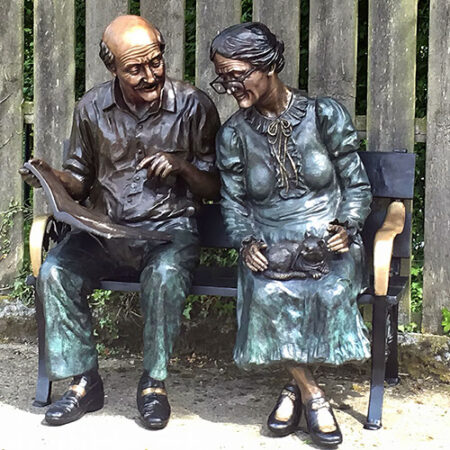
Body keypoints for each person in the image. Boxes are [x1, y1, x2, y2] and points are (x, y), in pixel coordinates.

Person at [20, 15, 220, 429]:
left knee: (164, 276)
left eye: (156, 62)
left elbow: (214, 186)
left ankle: (153, 385)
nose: (150, 75)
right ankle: (84, 383)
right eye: (135, 68)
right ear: (112, 67)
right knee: (55, 271)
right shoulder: (92, 108)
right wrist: (49, 175)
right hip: (105, 231)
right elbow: (78, 180)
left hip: (167, 230)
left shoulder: (193, 105)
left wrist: (182, 167)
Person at [210, 22, 372, 447]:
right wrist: (246, 242)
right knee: (266, 292)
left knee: (330, 291)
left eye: (236, 74)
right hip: (269, 243)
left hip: (327, 240)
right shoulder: (233, 135)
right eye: (222, 77)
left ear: (267, 66)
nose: (229, 86)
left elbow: (356, 185)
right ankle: (313, 395)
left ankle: (292, 388)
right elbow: (233, 202)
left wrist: (348, 225)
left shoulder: (323, 114)